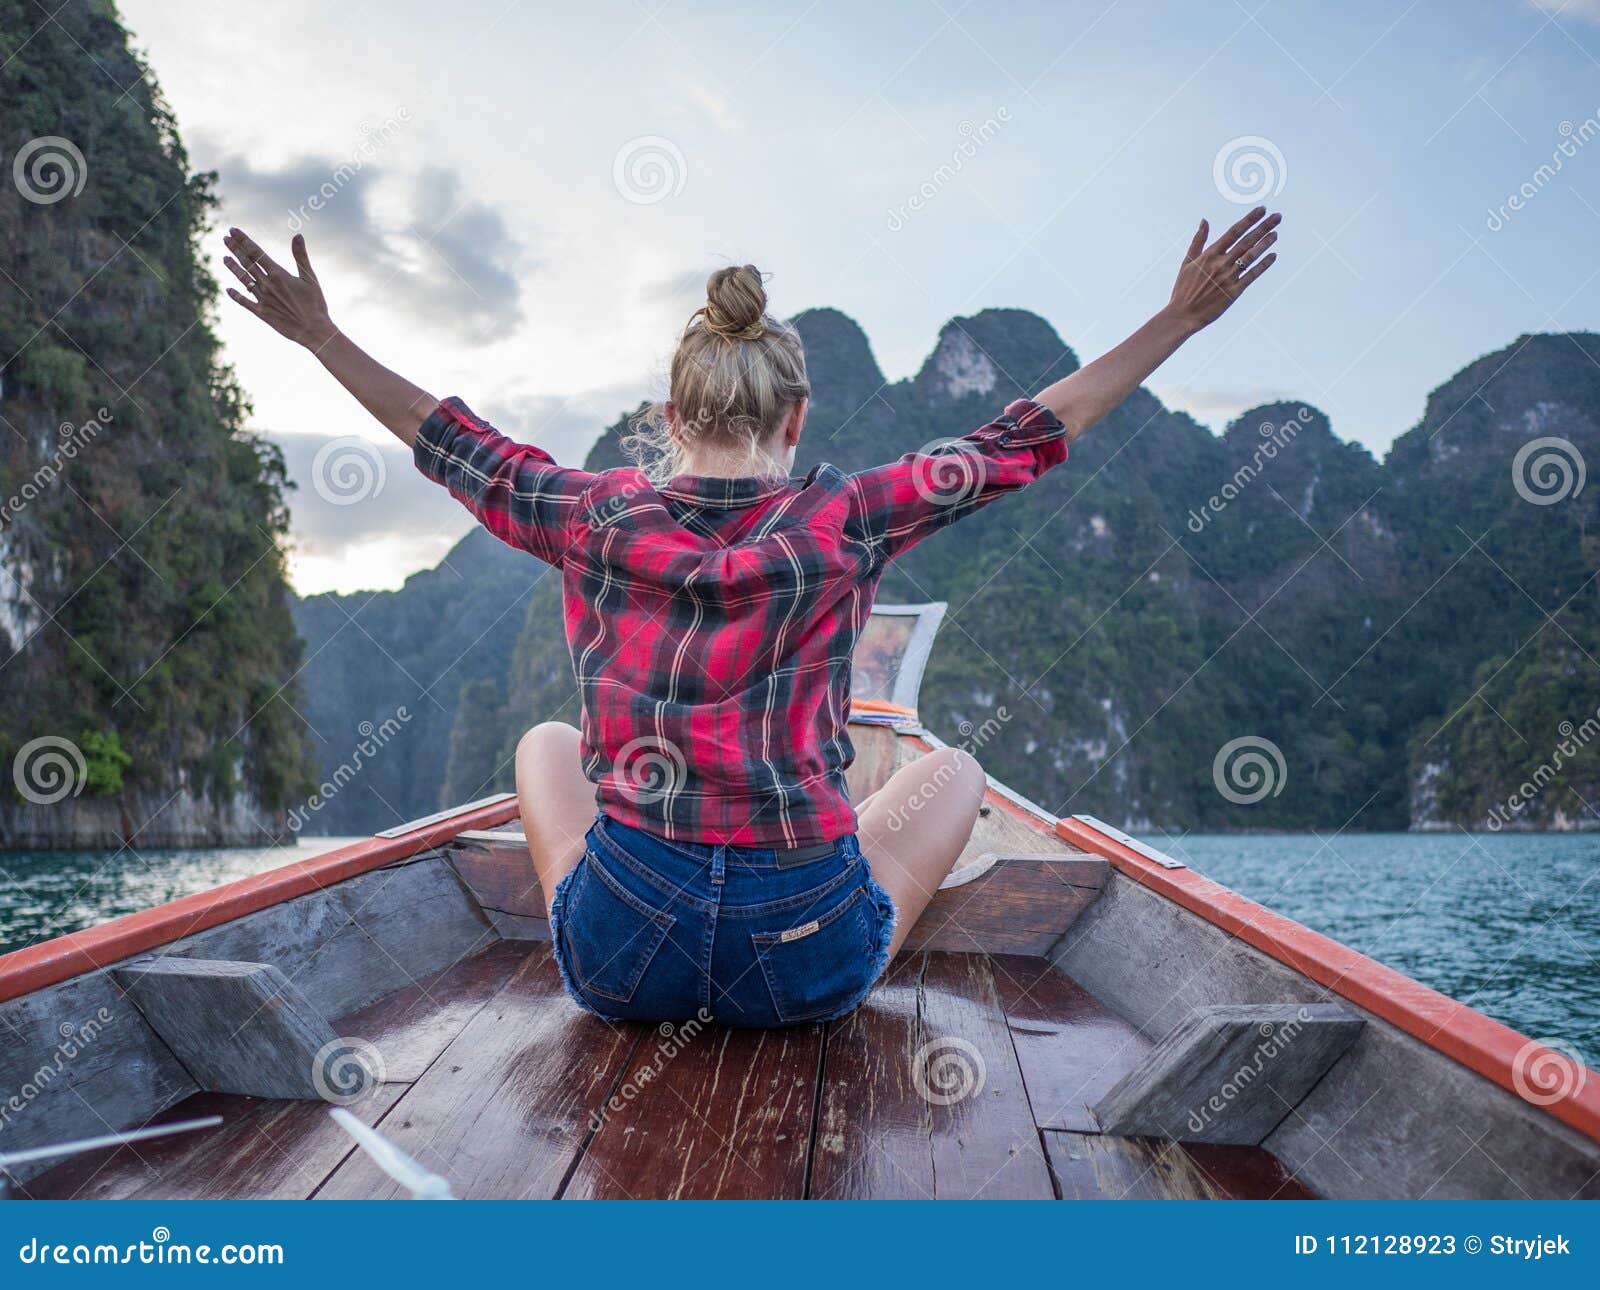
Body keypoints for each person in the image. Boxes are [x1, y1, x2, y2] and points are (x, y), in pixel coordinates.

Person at [222, 206, 1279, 1026]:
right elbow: (1026, 435)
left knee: (546, 743)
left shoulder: (591, 515)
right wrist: (1178, 320)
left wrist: (319, 335)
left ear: (671, 416)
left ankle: (586, 908)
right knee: (954, 770)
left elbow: (448, 437)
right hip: (802, 963)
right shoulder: (851, 516)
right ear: (798, 416)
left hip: (623, 959)